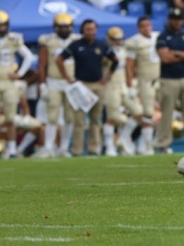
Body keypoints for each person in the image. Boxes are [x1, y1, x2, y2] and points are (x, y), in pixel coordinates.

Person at [57, 19, 118, 157]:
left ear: (96, 30)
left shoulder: (101, 45)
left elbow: (115, 60)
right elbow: (59, 59)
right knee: (79, 120)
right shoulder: (76, 45)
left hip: (98, 84)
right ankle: (77, 150)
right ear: (82, 31)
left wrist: (107, 76)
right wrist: (67, 77)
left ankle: (93, 148)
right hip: (81, 86)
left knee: (95, 119)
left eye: (92, 29)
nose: (90, 32)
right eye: (87, 29)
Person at [155, 8, 184, 153]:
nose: (177, 22)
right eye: (174, 19)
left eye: (179, 19)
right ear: (169, 20)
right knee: (166, 113)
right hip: (168, 80)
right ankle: (162, 143)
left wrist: (176, 53)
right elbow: (165, 58)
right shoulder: (163, 36)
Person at [37, 13, 80, 157]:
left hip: (71, 82)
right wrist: (42, 83)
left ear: (71, 27)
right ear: (56, 27)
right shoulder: (48, 40)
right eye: (61, 27)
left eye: (66, 26)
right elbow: (42, 64)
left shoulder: (77, 40)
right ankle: (49, 147)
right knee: (53, 115)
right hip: (53, 81)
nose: (64, 29)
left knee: (69, 117)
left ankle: (63, 147)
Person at [102, 27, 141, 156]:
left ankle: (123, 138)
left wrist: (131, 86)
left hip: (124, 85)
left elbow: (131, 68)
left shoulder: (125, 51)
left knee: (138, 113)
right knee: (112, 117)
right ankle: (109, 147)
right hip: (111, 85)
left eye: (119, 39)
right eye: (115, 39)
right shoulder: (105, 52)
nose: (118, 42)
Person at [0, 12, 34, 159]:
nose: (1, 28)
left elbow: (28, 56)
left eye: (3, 25)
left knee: (11, 116)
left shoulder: (13, 39)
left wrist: (20, 73)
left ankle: (12, 149)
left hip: (8, 81)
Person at [125, 17, 160, 155]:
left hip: (159, 79)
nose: (146, 28)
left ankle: (140, 144)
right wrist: (130, 86)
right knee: (147, 113)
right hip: (145, 80)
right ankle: (147, 147)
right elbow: (129, 65)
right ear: (139, 28)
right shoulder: (134, 42)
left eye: (148, 25)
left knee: (159, 112)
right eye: (143, 26)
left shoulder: (158, 37)